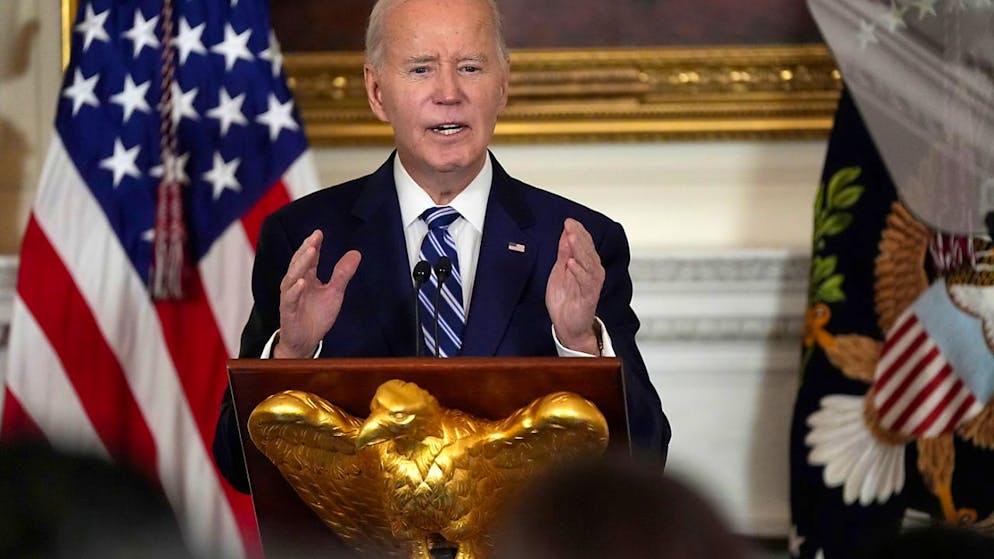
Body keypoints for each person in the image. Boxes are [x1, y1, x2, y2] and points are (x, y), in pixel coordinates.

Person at [213, 0, 669, 494]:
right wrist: (293, 356)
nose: (448, 93)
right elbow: (238, 464)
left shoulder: (580, 244)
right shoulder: (305, 240)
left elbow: (645, 457)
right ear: (376, 91)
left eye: (470, 67)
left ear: (502, 85)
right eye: (421, 68)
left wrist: (580, 347)